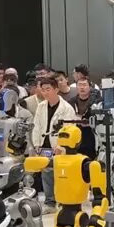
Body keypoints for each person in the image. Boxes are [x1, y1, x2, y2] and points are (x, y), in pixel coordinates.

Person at [30, 77, 77, 211]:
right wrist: (37, 144)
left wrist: (61, 146)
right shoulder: (41, 106)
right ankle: (50, 202)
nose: (45, 92)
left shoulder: (66, 108)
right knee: (46, 173)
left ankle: (63, 201)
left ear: (56, 89)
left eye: (48, 89)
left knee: (62, 174)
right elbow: (37, 126)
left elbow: (69, 129)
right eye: (43, 90)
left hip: (59, 146)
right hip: (44, 144)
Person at [72, 76, 100, 158]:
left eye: (84, 85)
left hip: (92, 135)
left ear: (90, 87)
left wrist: (90, 123)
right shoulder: (71, 102)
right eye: (79, 85)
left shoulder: (96, 102)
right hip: (76, 135)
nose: (82, 87)